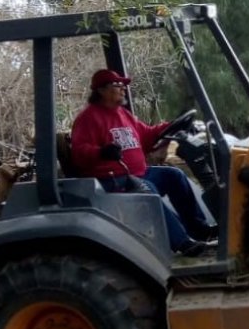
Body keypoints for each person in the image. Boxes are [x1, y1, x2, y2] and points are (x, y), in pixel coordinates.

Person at [71, 69, 214, 257]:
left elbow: (146, 134)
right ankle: (183, 242)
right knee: (147, 189)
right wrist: (101, 152)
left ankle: (199, 229)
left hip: (139, 173)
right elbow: (79, 152)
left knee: (175, 176)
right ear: (101, 90)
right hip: (112, 179)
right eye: (117, 85)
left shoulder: (123, 114)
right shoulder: (88, 118)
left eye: (123, 85)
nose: (123, 89)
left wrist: (172, 125)